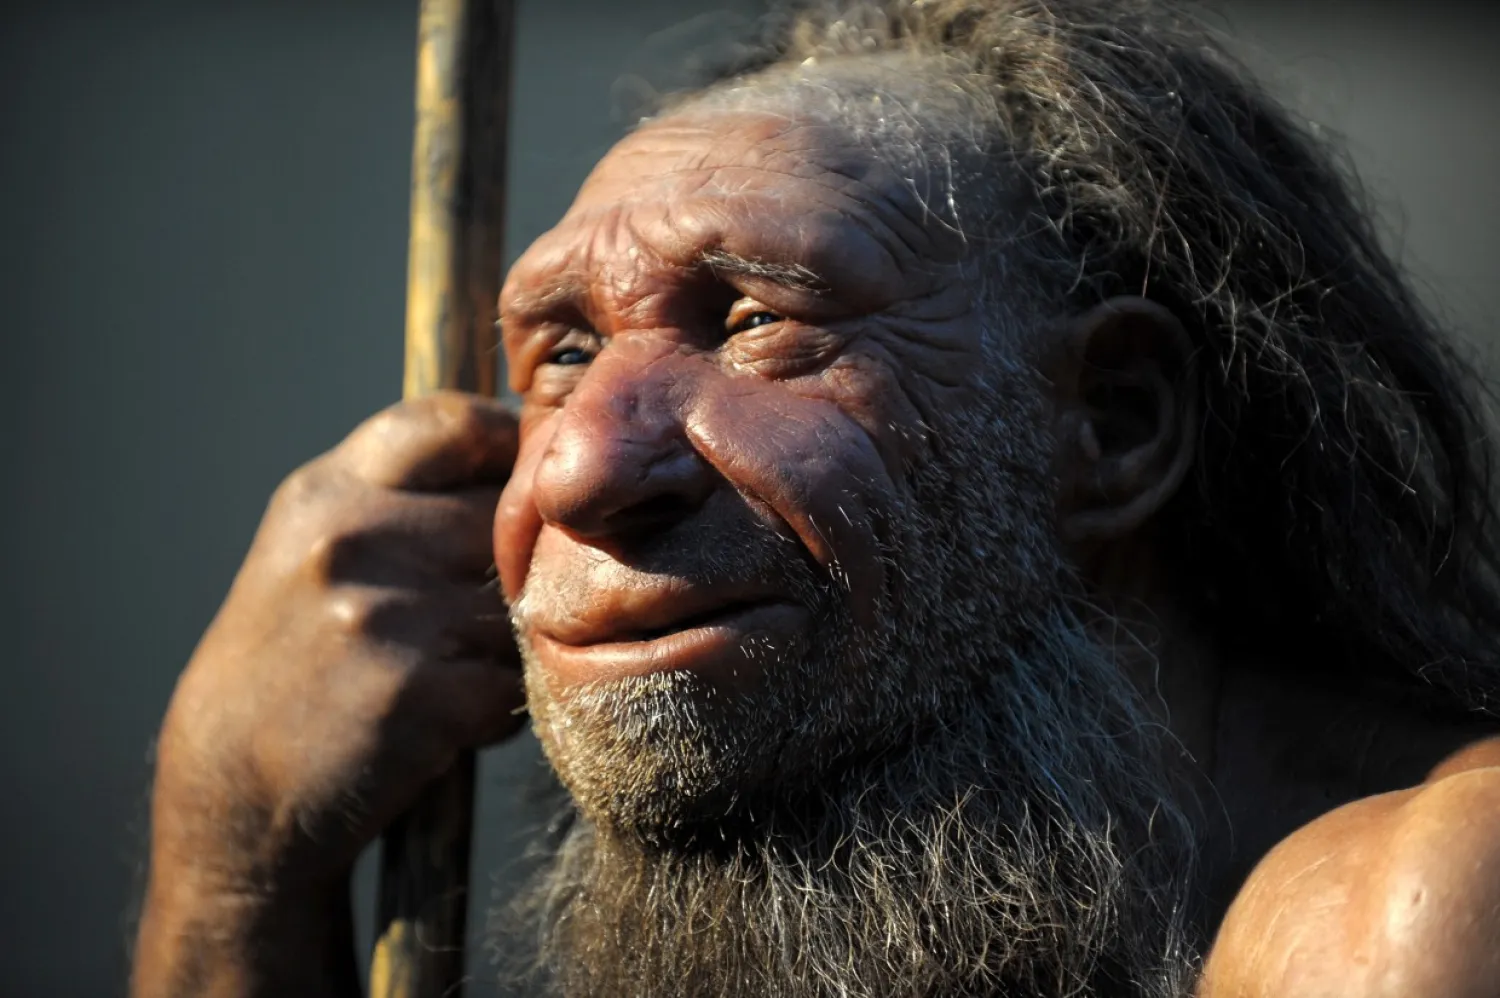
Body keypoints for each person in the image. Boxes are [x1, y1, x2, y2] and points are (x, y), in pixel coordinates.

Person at [130, 1, 1500, 995]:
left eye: (751, 319)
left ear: (1113, 425)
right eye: (564, 351)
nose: (581, 469)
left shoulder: (1412, 917)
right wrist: (237, 857)